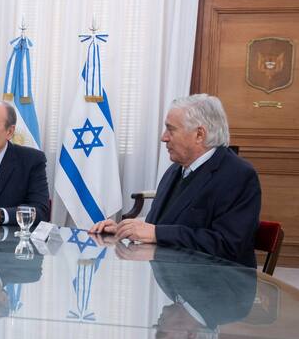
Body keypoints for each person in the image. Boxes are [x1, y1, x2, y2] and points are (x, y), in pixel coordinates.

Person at [90, 94, 261, 268]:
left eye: (170, 130)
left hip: (216, 286)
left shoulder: (238, 175)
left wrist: (156, 233)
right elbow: (159, 225)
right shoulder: (176, 169)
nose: (164, 137)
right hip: (174, 276)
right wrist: (123, 229)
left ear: (199, 134)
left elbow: (228, 245)